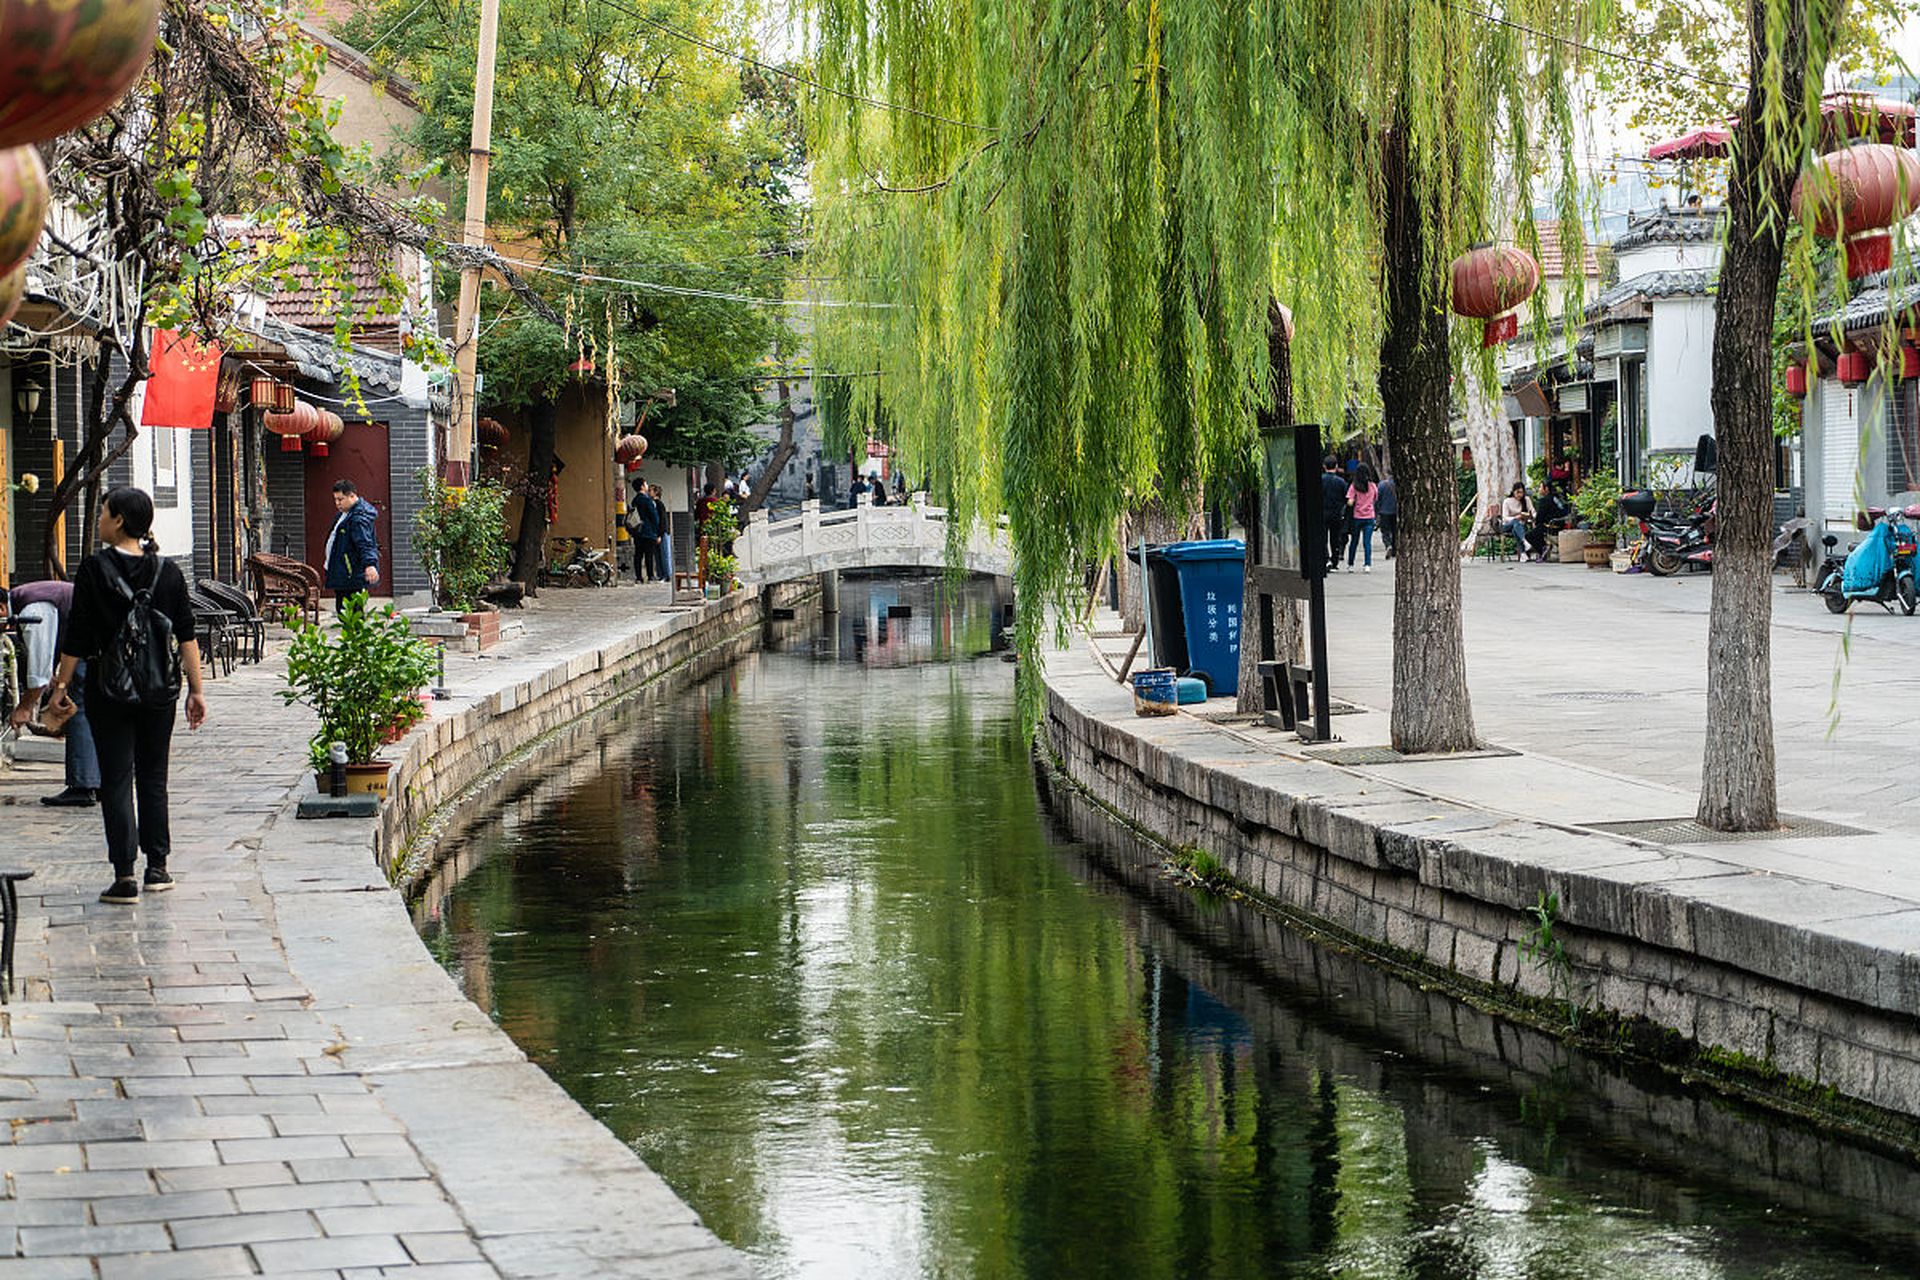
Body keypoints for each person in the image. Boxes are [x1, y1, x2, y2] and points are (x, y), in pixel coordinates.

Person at [46, 487, 207, 905]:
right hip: (159, 692)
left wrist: (60, 688)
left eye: (103, 513)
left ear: (118, 520)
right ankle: (158, 867)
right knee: (154, 778)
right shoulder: (168, 573)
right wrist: (196, 689)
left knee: (116, 780)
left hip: (108, 690)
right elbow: (186, 634)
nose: (99, 519)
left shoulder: (94, 570)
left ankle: (124, 876)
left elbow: (77, 636)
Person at [7, 580, 101, 806]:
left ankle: (83, 785)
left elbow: (39, 669)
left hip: (93, 643)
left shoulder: (32, 609)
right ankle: (98, 782)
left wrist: (24, 707)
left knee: (80, 706)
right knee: (90, 708)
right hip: (92, 638)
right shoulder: (28, 596)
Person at [323, 479, 380, 613]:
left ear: (352, 496)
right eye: (335, 500)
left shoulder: (358, 518)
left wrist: (370, 564)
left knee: (350, 613)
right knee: (344, 611)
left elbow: (365, 543)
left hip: (350, 574)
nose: (337, 503)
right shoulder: (344, 515)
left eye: (340, 499)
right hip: (343, 571)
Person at [1345, 464, 1380, 572]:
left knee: (1354, 541)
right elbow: (1375, 499)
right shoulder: (1373, 486)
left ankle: (1351, 564)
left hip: (1357, 517)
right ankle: (1367, 565)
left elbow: (1350, 502)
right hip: (1369, 516)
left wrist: (1355, 501)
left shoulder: (1354, 486)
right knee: (1367, 542)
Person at [627, 479, 662, 583]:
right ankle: (650, 576)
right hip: (648, 531)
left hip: (637, 531)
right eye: (646, 484)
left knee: (638, 554)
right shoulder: (647, 501)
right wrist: (657, 531)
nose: (647, 486)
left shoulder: (634, 500)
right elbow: (654, 517)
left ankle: (638, 577)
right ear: (642, 486)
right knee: (649, 555)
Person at [1320, 456, 1350, 572]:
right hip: (1337, 514)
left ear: (1324, 466)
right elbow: (1346, 498)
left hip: (1322, 513)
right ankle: (1334, 561)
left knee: (1323, 538)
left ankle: (1325, 559)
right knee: (1335, 538)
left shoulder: (1320, 480)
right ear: (1336, 466)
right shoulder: (1341, 482)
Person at [1502, 482, 1539, 560]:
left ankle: (1523, 553)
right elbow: (1505, 517)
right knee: (1516, 522)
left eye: (1521, 492)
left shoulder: (1526, 499)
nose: (1520, 495)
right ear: (1513, 491)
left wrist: (1531, 516)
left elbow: (1533, 511)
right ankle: (1525, 541)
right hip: (1507, 525)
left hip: (1520, 525)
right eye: (1517, 492)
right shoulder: (1507, 501)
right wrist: (1516, 517)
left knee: (1515, 529)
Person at [651, 485, 674, 582]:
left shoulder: (659, 504)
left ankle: (667, 575)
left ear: (656, 492)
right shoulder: (654, 504)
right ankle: (661, 574)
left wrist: (660, 534)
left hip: (662, 532)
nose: (649, 492)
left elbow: (662, 521)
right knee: (658, 554)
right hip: (659, 532)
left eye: (650, 490)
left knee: (664, 554)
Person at [1376, 473, 1398, 559]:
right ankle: (1394, 549)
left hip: (1384, 511)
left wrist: (1376, 511)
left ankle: (1388, 545)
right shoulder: (1398, 485)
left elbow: (1378, 499)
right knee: (1394, 530)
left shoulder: (1382, 485)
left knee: (1385, 531)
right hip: (1395, 511)